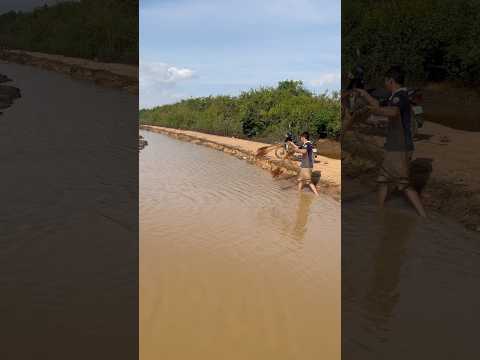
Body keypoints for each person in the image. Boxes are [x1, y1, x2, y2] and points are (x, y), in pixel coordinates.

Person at [356, 66, 427, 217]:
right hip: (393, 146)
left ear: (391, 80)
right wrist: (364, 95)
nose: (385, 84)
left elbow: (392, 112)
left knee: (403, 184)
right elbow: (379, 105)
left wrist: (371, 110)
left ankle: (423, 216)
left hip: (399, 147)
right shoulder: (396, 95)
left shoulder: (399, 96)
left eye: (386, 81)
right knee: (383, 180)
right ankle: (380, 210)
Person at [288, 132, 319, 196]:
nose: (300, 139)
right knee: (301, 180)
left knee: (308, 182)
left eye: (301, 137)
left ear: (303, 137)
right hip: (305, 165)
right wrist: (292, 143)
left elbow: (303, 151)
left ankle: (316, 195)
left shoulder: (307, 144)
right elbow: (298, 147)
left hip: (306, 165)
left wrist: (295, 150)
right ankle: (299, 192)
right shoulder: (306, 144)